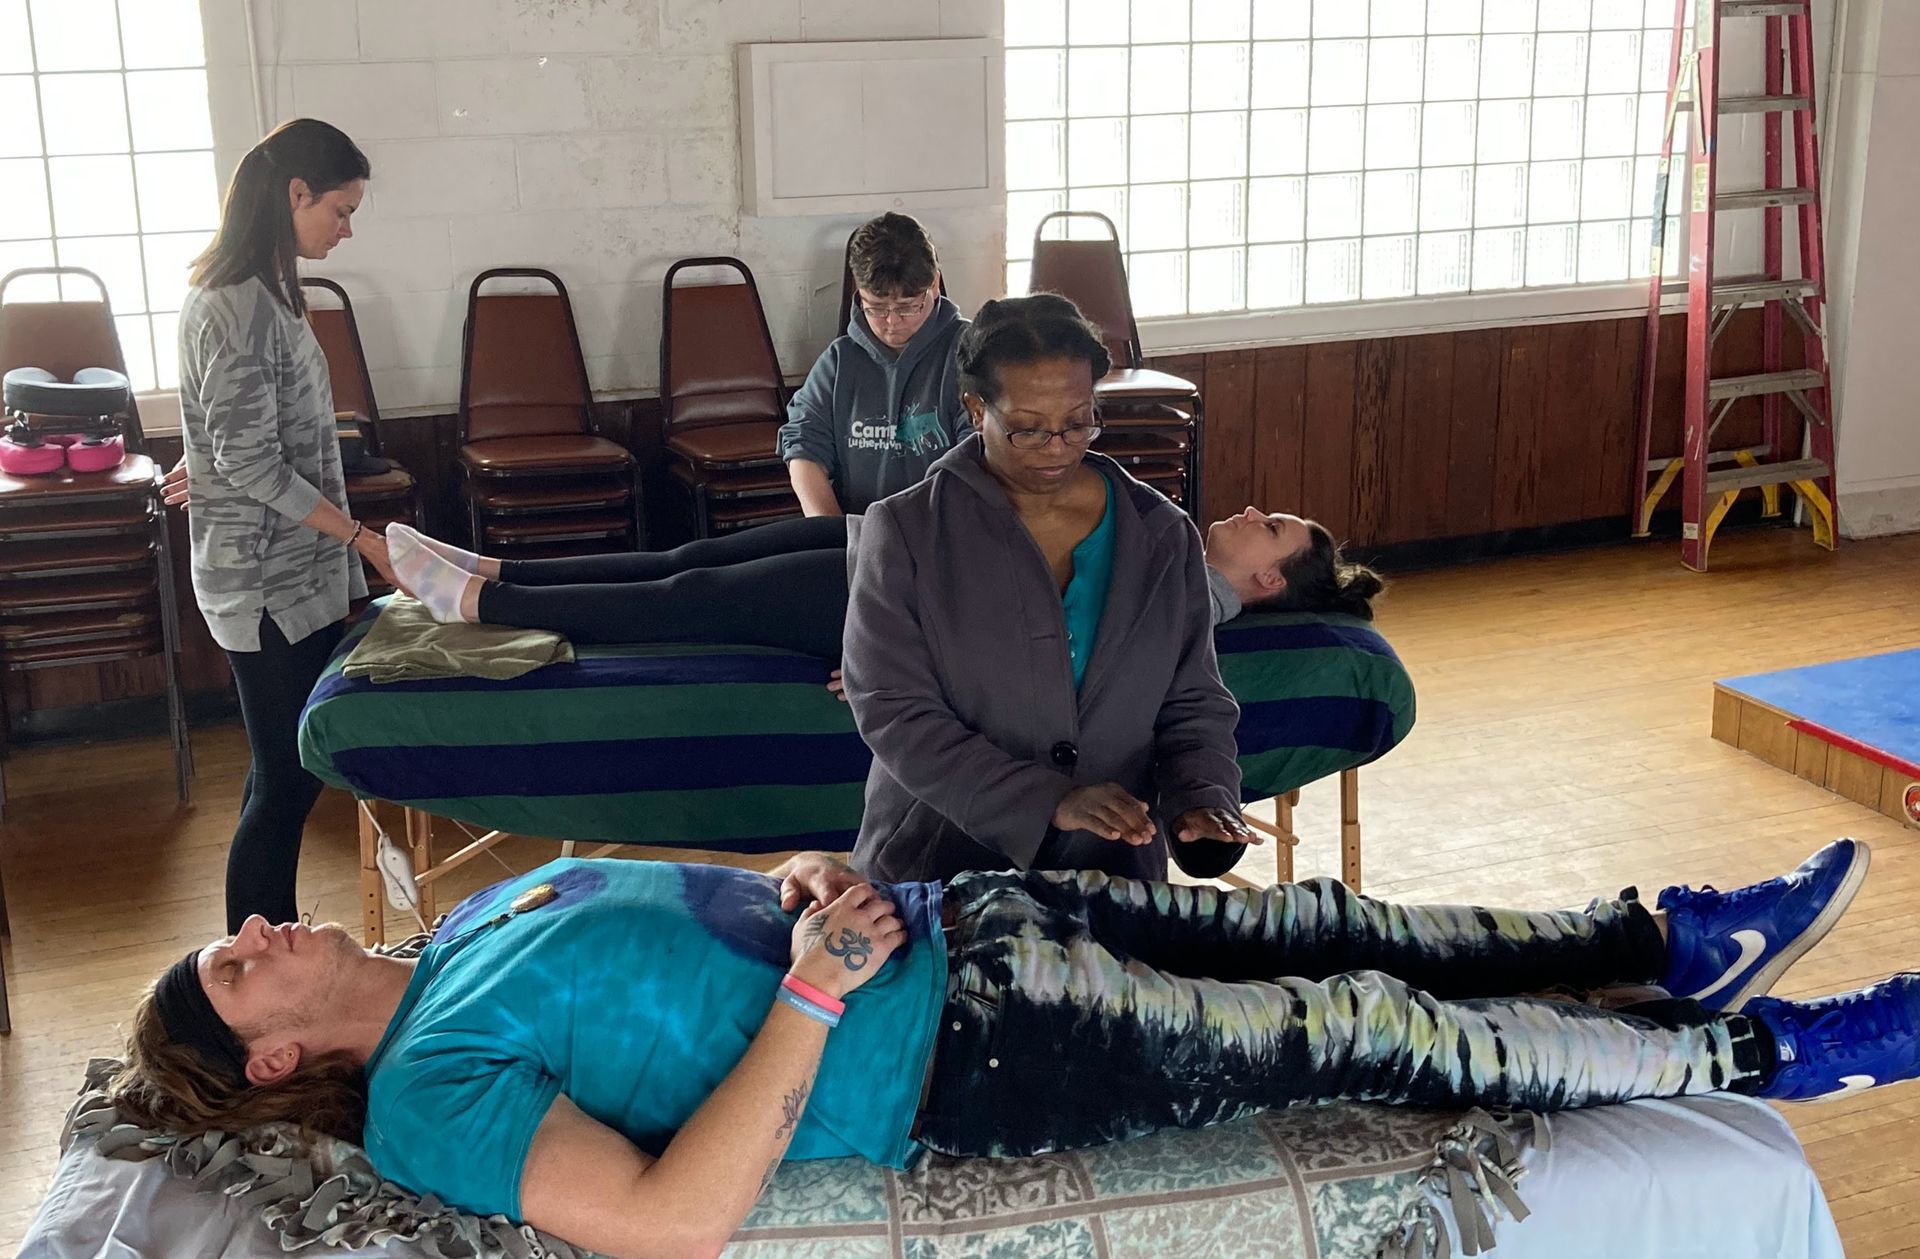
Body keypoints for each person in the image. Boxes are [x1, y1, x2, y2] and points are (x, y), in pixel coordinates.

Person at [109, 838, 1918, 1259]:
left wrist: (796, 872)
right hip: (969, 1048)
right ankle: (1762, 1054)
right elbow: (666, 1220)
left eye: (249, 926)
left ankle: (1669, 937)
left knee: (1333, 920)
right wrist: (814, 994)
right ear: (270, 1062)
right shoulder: (429, 1091)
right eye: (245, 962)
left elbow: (690, 889)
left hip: (964, 905)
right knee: (1365, 1028)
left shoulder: (455, 930)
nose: (269, 928)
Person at [841, 294, 1253, 886]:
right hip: (938, 872)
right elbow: (893, 710)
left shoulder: (1159, 534)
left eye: (1078, 422)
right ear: (974, 407)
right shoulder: (908, 530)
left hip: (1110, 875)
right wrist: (1045, 801)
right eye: (1028, 430)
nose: (1057, 448)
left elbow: (1192, 699)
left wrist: (1202, 796)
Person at [171, 119, 395, 934]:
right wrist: (362, 538)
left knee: (280, 775)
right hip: (261, 582)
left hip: (287, 568)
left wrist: (205, 456)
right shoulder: (231, 303)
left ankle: (257, 945)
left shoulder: (270, 287)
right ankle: (251, 963)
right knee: (287, 779)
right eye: (339, 209)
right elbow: (253, 462)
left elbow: (237, 436)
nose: (346, 227)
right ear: (295, 194)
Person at [378, 498, 1380, 678]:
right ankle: (494, 568)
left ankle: (479, 604)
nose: (1253, 512)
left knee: (689, 596)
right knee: (690, 560)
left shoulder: (1191, 605)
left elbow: (1056, 654)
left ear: (1263, 576)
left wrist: (906, 672)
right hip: (895, 550)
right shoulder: (1177, 553)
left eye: (1273, 526)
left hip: (896, 608)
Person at [777, 212, 970, 516]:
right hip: (856, 532)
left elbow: (981, 456)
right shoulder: (839, 362)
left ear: (934, 285)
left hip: (943, 533)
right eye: (876, 308)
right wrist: (834, 533)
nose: (892, 322)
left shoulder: (970, 355)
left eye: (908, 307)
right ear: (859, 291)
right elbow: (803, 445)